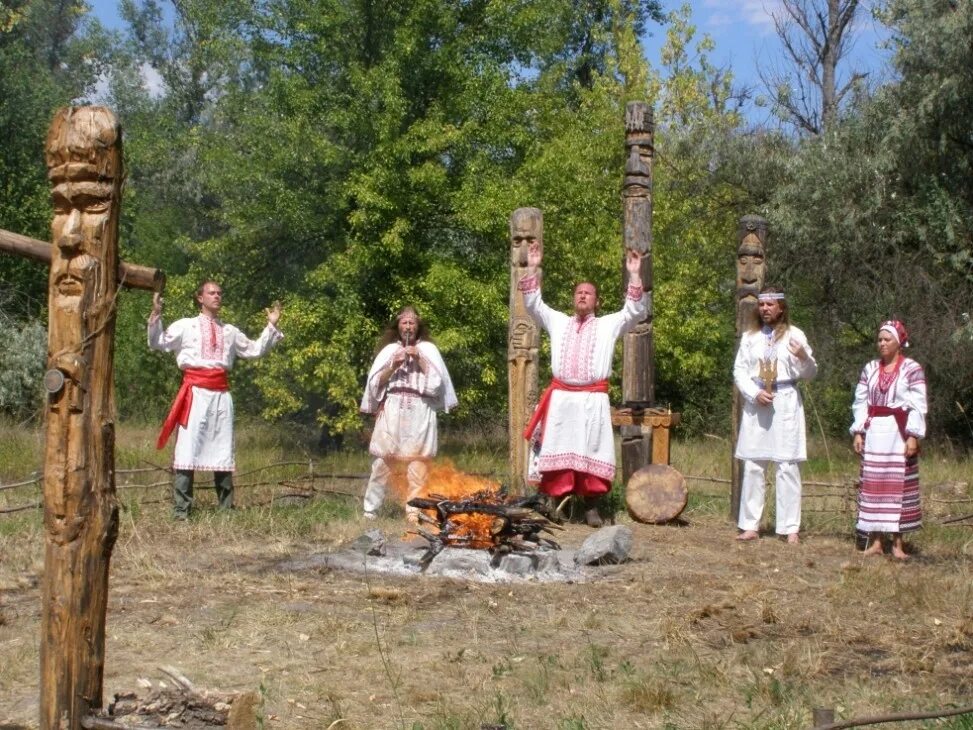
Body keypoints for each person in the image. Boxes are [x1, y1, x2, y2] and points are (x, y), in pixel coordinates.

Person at [519, 242, 645, 527]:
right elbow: (533, 305)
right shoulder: (558, 321)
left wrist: (634, 274)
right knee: (557, 450)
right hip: (562, 398)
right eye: (579, 292)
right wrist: (533, 267)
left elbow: (634, 312)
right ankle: (556, 505)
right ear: (573, 299)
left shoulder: (608, 324)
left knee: (592, 450)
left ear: (597, 302)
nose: (583, 296)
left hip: (592, 399)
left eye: (588, 293)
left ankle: (591, 507)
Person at [149, 282, 283, 519]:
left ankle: (226, 510)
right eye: (212, 292)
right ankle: (182, 512)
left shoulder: (229, 331)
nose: (217, 296)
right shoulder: (185, 326)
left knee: (222, 450)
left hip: (221, 396)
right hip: (194, 395)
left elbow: (253, 350)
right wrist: (157, 313)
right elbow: (158, 342)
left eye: (220, 293)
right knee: (187, 450)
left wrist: (271, 325)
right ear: (200, 298)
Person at [733, 287, 817, 543]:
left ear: (781, 308)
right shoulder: (750, 337)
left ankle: (789, 528)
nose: (765, 309)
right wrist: (753, 393)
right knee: (754, 464)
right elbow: (739, 371)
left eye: (770, 305)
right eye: (762, 305)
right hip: (758, 401)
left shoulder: (795, 335)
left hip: (785, 401)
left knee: (787, 465)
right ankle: (750, 525)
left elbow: (811, 372)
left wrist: (803, 356)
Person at [360, 306, 457, 521]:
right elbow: (375, 385)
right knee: (382, 463)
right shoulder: (388, 350)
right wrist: (392, 366)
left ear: (418, 327)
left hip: (420, 411)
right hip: (393, 408)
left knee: (418, 467)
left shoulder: (429, 349)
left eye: (412, 323)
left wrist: (420, 359)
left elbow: (436, 385)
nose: (408, 327)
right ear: (398, 326)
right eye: (404, 323)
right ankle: (370, 510)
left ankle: (414, 511)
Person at [851, 320, 927, 560]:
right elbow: (861, 401)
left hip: (899, 431)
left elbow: (918, 404)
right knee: (874, 485)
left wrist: (913, 435)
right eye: (880, 339)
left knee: (899, 487)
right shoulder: (870, 368)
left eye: (887, 339)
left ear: (899, 342)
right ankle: (875, 541)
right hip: (875, 432)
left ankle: (897, 544)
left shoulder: (911, 369)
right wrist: (859, 431)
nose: (882, 343)